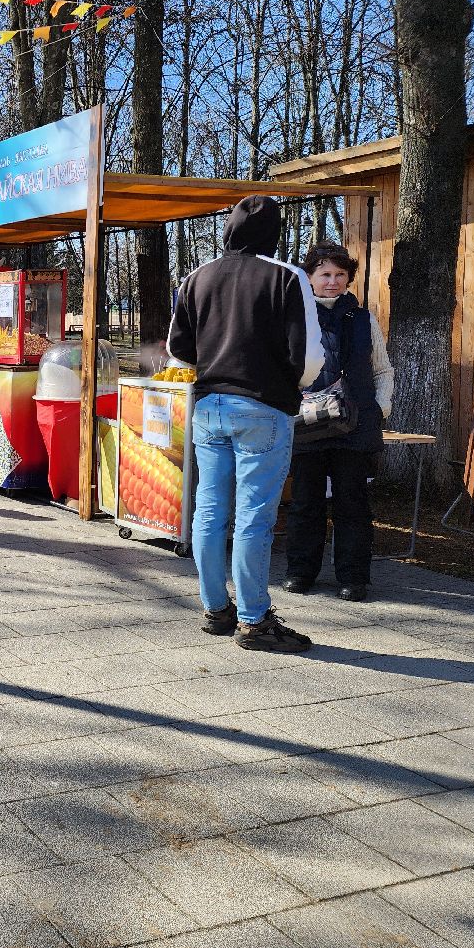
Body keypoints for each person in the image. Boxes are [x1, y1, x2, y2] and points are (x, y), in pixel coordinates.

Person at [167, 195, 323, 653]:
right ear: (273, 232)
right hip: (264, 408)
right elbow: (308, 357)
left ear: (229, 229)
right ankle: (254, 621)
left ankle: (216, 609)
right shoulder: (287, 277)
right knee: (254, 518)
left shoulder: (197, 276)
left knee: (209, 511)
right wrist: (290, 385)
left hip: (210, 405)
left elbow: (180, 348)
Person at [283, 244, 393, 602]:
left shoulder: (364, 319)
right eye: (325, 274)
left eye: (340, 275)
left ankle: (354, 578)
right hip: (307, 424)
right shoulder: (295, 317)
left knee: (353, 503)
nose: (333, 282)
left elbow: (382, 369)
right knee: (305, 502)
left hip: (355, 425)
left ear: (349, 278)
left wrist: (380, 408)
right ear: (310, 277)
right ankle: (300, 573)